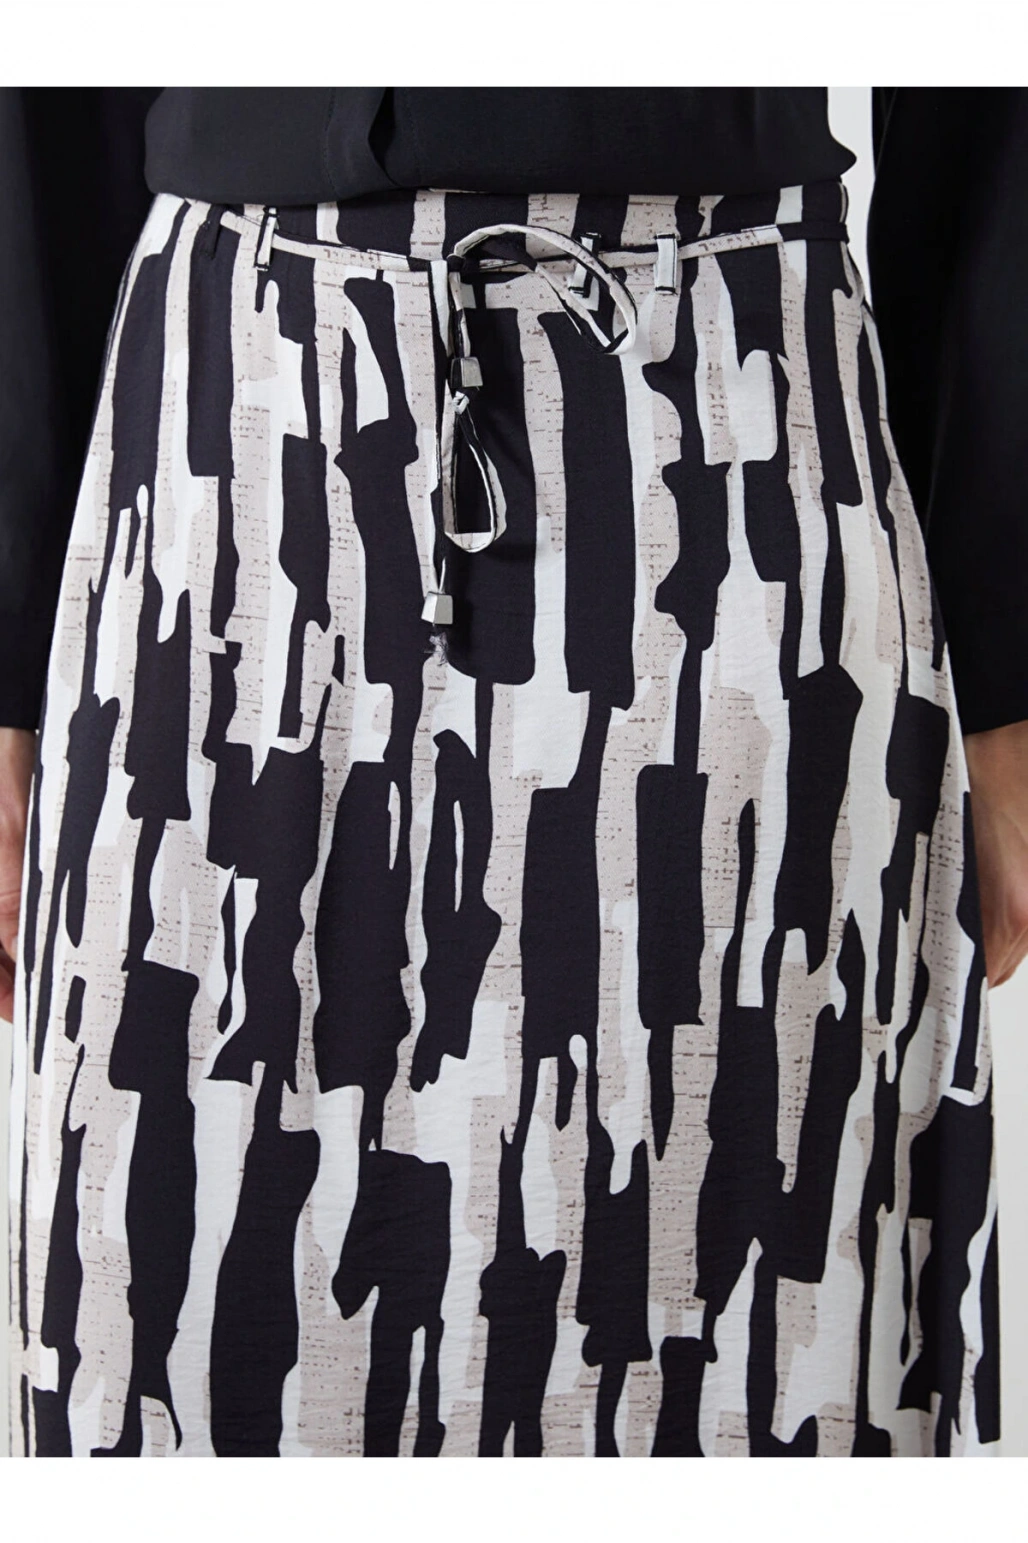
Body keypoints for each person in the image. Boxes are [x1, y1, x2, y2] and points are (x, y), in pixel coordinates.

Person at [0, 86, 1023, 1458]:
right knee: (170, 1350)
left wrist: (1010, 669)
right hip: (232, 456)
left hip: (735, 448)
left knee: (759, 1343)